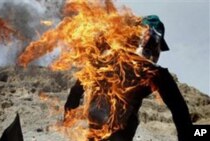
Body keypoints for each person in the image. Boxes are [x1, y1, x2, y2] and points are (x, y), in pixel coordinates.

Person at [64, 15, 193, 141]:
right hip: (106, 133)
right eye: (152, 42)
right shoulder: (152, 72)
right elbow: (181, 113)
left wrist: (68, 113)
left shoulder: (107, 61)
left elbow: (180, 112)